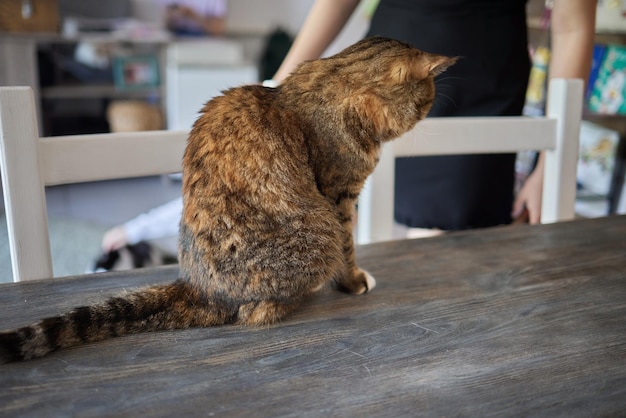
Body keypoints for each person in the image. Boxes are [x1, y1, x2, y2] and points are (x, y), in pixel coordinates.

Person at [271, 0, 597, 235]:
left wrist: (549, 166)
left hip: (484, 83)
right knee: (352, 221)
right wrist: (279, 88)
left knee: (454, 233)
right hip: (382, 78)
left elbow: (574, 27)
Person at [159, 0, 227, 36]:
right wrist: (172, 16)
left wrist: (193, 16)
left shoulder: (214, 1)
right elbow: (167, 26)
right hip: (178, 38)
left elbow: (218, 30)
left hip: (203, 41)